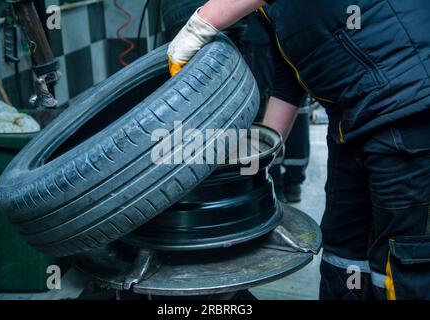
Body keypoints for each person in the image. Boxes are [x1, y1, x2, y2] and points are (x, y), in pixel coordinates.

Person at [167, 0, 430, 300]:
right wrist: (254, 159)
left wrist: (201, 23)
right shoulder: (269, 14)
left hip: (410, 112)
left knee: (403, 262)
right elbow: (288, 83)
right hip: (352, 126)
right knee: (344, 253)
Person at [241, 14, 310, 203]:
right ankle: (293, 183)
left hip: (262, 38)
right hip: (296, 35)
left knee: (263, 107)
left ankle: (272, 183)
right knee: (296, 102)